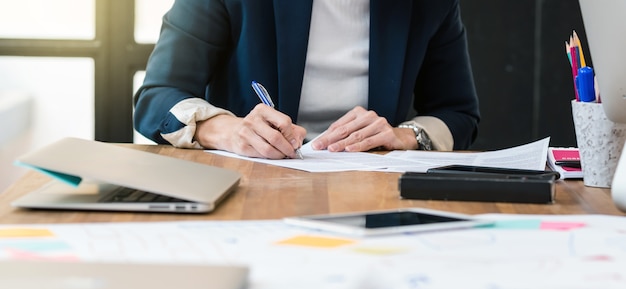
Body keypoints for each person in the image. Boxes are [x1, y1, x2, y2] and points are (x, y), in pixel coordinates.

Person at [134, 0, 480, 160]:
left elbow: (458, 113)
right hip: (246, 186)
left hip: (371, 192)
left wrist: (404, 135)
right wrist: (226, 129)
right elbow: (156, 98)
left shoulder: (430, 5)